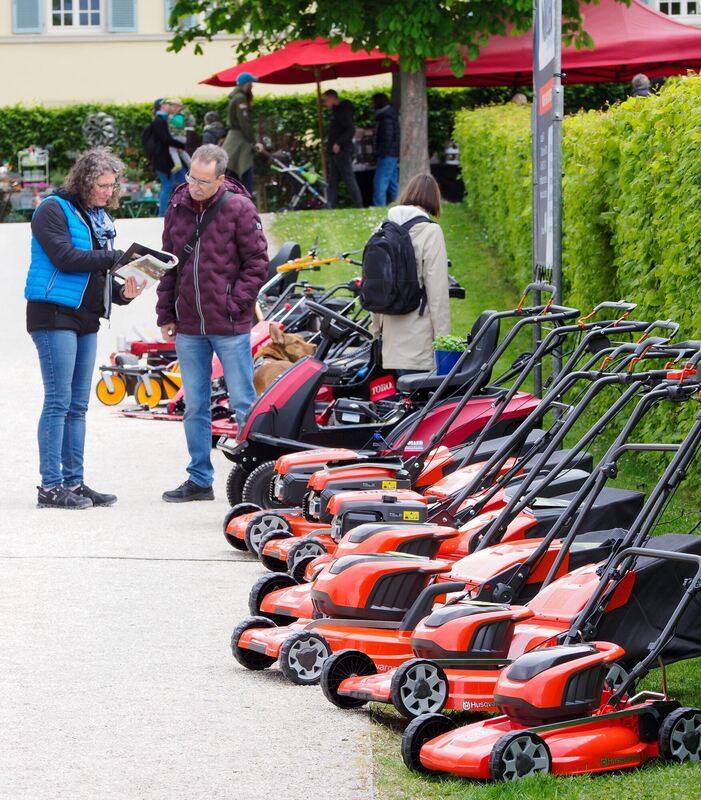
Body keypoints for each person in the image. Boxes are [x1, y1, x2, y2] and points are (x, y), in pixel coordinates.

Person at [24, 147, 146, 509]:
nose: (108, 192)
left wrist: (125, 290)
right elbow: (65, 257)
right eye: (102, 185)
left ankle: (74, 483)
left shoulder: (98, 218)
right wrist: (117, 257)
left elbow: (99, 274)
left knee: (78, 405)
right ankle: (50, 485)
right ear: (84, 180)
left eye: (112, 185)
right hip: (53, 313)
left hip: (86, 316)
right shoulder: (52, 209)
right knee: (59, 401)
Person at [156, 144, 269, 503]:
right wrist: (166, 313)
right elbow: (168, 263)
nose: (195, 186)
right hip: (188, 325)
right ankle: (199, 479)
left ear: (221, 178)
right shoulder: (177, 205)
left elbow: (257, 262)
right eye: (191, 177)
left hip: (230, 325)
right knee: (195, 405)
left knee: (243, 402)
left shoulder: (238, 207)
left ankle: (254, 477)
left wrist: (236, 304)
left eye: (203, 181)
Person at [372, 174, 451, 374]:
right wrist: (444, 344)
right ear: (434, 199)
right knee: (421, 404)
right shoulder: (431, 232)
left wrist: (376, 333)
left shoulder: (382, 229)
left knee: (394, 404)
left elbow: (375, 285)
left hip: (388, 345)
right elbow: (438, 293)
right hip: (418, 344)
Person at [223, 72, 263, 194]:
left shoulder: (235, 97)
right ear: (247, 84)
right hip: (240, 139)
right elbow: (244, 123)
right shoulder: (240, 98)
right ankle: (247, 204)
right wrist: (254, 141)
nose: (252, 86)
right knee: (245, 171)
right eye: (251, 83)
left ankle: (236, 204)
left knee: (233, 172)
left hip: (234, 139)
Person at [322, 89, 363, 209]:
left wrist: (338, 143)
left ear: (332, 98)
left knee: (348, 178)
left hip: (342, 151)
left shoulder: (342, 111)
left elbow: (350, 129)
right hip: (336, 151)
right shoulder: (336, 112)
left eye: (326, 100)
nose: (325, 103)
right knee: (333, 180)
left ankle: (358, 203)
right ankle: (330, 204)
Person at [371, 93, 400, 207]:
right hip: (392, 154)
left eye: (372, 102)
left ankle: (379, 206)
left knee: (379, 182)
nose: (371, 104)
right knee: (393, 183)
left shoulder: (385, 118)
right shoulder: (390, 115)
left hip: (386, 154)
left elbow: (387, 138)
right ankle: (399, 205)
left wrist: (380, 153)